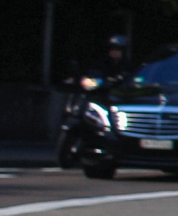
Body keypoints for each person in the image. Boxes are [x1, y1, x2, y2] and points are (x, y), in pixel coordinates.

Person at [55, 34, 133, 168]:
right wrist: (83, 80)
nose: (114, 52)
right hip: (94, 95)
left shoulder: (127, 66)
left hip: (110, 98)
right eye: (112, 48)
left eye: (118, 49)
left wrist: (116, 82)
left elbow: (128, 80)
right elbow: (92, 74)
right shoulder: (102, 62)